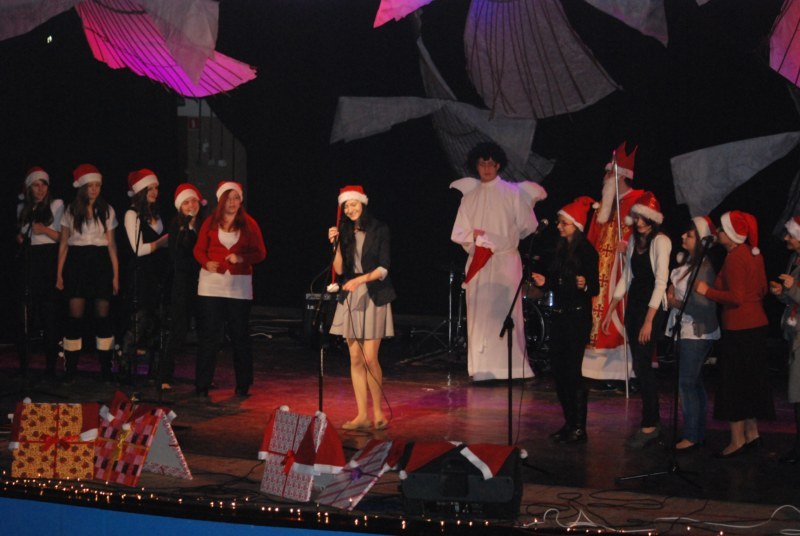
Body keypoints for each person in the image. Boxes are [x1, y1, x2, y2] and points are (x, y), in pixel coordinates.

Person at [450, 142, 546, 382]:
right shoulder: (470, 198)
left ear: (498, 165)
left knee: (507, 312)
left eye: (491, 164)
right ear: (476, 165)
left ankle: (513, 368)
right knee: (480, 315)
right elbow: (458, 232)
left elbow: (527, 225)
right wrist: (475, 236)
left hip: (505, 262)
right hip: (479, 263)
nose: (486, 168)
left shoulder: (511, 193)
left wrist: (501, 238)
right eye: (482, 164)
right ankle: (483, 370)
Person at [695, 210, 774, 458]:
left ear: (730, 234)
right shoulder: (752, 254)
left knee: (734, 384)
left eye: (721, 229)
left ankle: (737, 439)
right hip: (755, 326)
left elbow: (736, 297)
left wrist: (707, 291)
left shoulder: (736, 258)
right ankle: (752, 434)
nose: (718, 232)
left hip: (739, 328)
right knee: (749, 382)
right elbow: (761, 289)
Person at [602, 192, 670, 448]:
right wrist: (611, 308)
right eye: (636, 216)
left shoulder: (661, 241)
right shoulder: (633, 240)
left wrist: (649, 320)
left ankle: (650, 423)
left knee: (643, 365)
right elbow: (627, 276)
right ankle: (650, 420)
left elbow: (661, 282)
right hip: (634, 307)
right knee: (639, 366)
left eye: (643, 217)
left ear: (652, 219)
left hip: (651, 308)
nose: (638, 221)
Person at [531, 197, 599, 443]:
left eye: (564, 223)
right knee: (559, 372)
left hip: (577, 317)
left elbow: (595, 287)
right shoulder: (560, 250)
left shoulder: (586, 251)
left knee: (572, 372)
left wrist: (585, 284)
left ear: (576, 225)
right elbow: (557, 282)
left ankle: (579, 427)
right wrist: (545, 282)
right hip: (559, 315)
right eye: (559, 222)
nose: (559, 227)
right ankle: (569, 423)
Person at [328, 185, 396, 430]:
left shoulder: (379, 229)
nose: (350, 209)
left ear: (363, 204)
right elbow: (338, 269)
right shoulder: (345, 232)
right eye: (346, 206)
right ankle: (362, 415)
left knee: (369, 358)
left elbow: (384, 268)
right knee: (355, 358)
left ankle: (378, 412)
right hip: (351, 295)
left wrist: (361, 280)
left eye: (353, 204)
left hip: (373, 294)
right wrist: (335, 244)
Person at [193, 181, 266, 397]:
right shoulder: (210, 222)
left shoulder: (249, 224)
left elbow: (261, 253)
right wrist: (206, 263)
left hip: (238, 287)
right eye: (228, 198)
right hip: (211, 286)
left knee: (239, 336)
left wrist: (241, 258)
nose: (232, 202)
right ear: (221, 201)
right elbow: (198, 250)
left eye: (236, 198)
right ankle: (202, 383)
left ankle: (243, 383)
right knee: (210, 336)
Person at [584, 142, 645, 389]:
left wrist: (629, 244)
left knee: (619, 317)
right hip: (600, 272)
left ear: (620, 176)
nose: (605, 178)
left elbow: (649, 235)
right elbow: (591, 240)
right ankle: (595, 373)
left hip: (623, 271)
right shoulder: (604, 204)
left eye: (609, 173)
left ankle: (621, 374)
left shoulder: (640, 200)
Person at [56, 164, 119, 382]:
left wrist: (116, 275)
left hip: (100, 263)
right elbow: (63, 244)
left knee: (103, 317)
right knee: (75, 317)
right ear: (82, 187)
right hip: (77, 263)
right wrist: (59, 274)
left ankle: (106, 368)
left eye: (97, 185)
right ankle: (71, 368)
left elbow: (112, 245)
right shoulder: (70, 210)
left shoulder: (107, 210)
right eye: (90, 185)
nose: (94, 189)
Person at [664, 216, 720, 451]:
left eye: (689, 234)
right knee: (693, 383)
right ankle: (696, 432)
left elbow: (704, 306)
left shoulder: (704, 268)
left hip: (696, 333)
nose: (683, 237)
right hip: (686, 330)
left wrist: (675, 302)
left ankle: (692, 435)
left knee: (687, 383)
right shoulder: (689, 264)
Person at [15, 166, 64, 379]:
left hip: (48, 260)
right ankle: (23, 366)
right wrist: (20, 238)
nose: (41, 189)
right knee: (25, 317)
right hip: (28, 261)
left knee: (49, 317)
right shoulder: (22, 208)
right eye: (36, 185)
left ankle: (50, 369)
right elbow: (21, 233)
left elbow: (63, 237)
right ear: (29, 188)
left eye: (44, 184)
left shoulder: (56, 205)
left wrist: (43, 230)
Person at [120, 169, 169, 381]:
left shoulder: (156, 214)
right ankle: (124, 366)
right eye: (150, 188)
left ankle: (153, 369)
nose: (154, 192)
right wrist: (161, 242)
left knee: (156, 321)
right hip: (140, 274)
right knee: (138, 321)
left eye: (156, 188)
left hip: (157, 273)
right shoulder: (132, 214)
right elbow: (137, 249)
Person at [159, 184, 205, 391]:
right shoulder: (176, 226)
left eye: (193, 201)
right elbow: (176, 256)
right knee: (178, 329)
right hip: (182, 284)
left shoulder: (205, 225)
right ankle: (164, 375)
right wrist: (186, 229)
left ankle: (203, 378)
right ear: (180, 207)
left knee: (205, 331)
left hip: (204, 283)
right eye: (186, 202)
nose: (191, 205)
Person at [770, 215, 800, 463]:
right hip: (794, 332)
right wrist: (783, 292)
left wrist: (792, 287)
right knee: (796, 394)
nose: (786, 238)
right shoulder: (794, 259)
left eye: (791, 235)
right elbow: (792, 298)